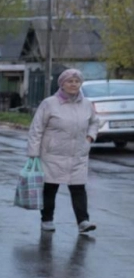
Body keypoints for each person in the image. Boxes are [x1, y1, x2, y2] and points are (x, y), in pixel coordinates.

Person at [27, 68, 99, 234]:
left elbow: (95, 122)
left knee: (78, 188)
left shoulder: (87, 104)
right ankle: (47, 220)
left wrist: (90, 138)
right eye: (70, 81)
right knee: (50, 188)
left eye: (77, 81)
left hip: (78, 154)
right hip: (53, 154)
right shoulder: (49, 103)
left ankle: (83, 221)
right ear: (62, 84)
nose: (74, 84)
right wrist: (33, 153)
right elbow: (36, 128)